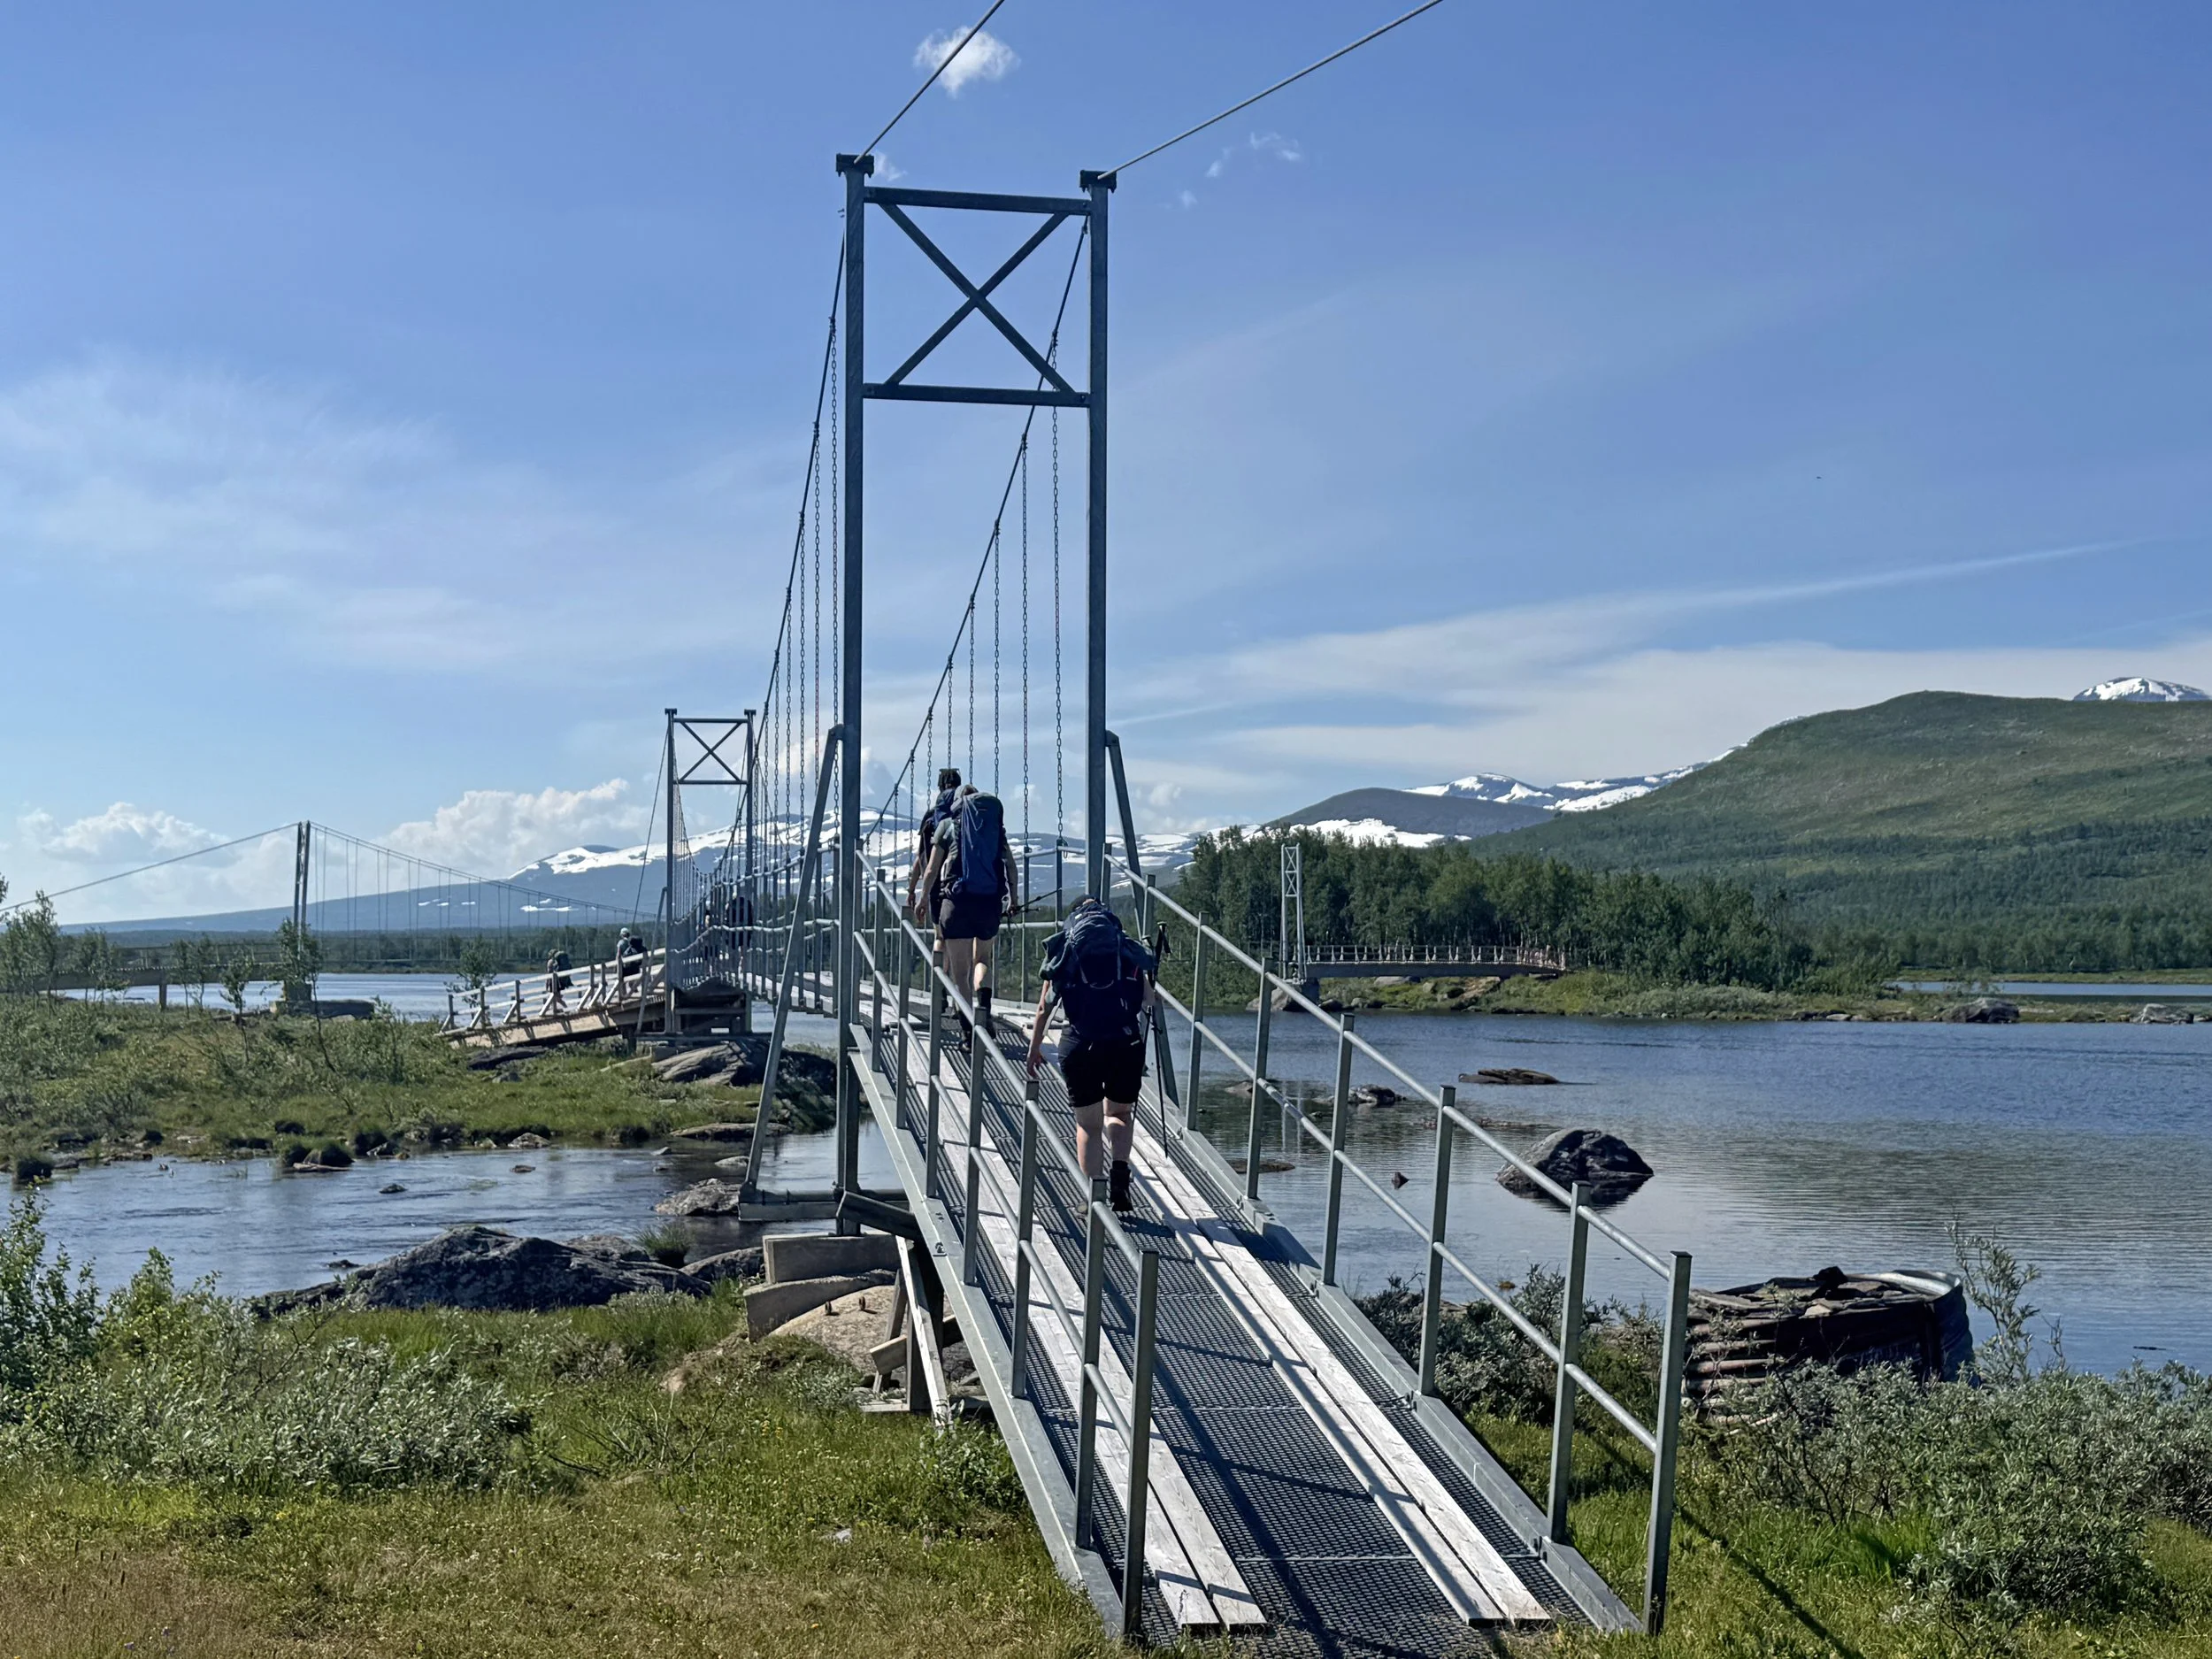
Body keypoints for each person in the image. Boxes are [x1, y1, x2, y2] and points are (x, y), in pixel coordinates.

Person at [1025, 895, 1156, 1213]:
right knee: (1120, 1114)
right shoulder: (1124, 948)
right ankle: (1121, 1176)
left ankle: (1094, 1197)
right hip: (1125, 1044)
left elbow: (1045, 1008)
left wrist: (1035, 1048)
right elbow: (1151, 1002)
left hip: (1080, 1043)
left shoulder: (1067, 947)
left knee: (1089, 1126)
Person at [916, 782, 1018, 1033]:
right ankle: (985, 1010)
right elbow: (1011, 867)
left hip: (957, 904)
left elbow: (931, 869)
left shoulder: (947, 826)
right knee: (982, 959)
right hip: (989, 904)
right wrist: (1014, 899)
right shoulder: (994, 829)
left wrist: (922, 898)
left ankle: (968, 1029)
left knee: (960, 974)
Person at [906, 767, 962, 925]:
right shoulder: (969, 815)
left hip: (938, 886)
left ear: (940, 788)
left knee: (941, 938)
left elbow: (922, 858)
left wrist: (912, 891)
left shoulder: (932, 818)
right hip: (968, 886)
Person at [615, 926, 645, 995]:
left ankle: (624, 995)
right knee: (632, 983)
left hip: (624, 966)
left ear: (622, 935)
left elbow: (619, 954)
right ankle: (636, 994)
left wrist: (616, 963)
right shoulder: (632, 942)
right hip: (634, 966)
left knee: (622, 981)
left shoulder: (621, 943)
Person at [544, 946, 572, 1013]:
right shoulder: (558, 962)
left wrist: (547, 984)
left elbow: (549, 973)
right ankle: (556, 1008)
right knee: (555, 997)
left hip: (553, 982)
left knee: (555, 997)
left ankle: (563, 1008)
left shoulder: (550, 962)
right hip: (560, 981)